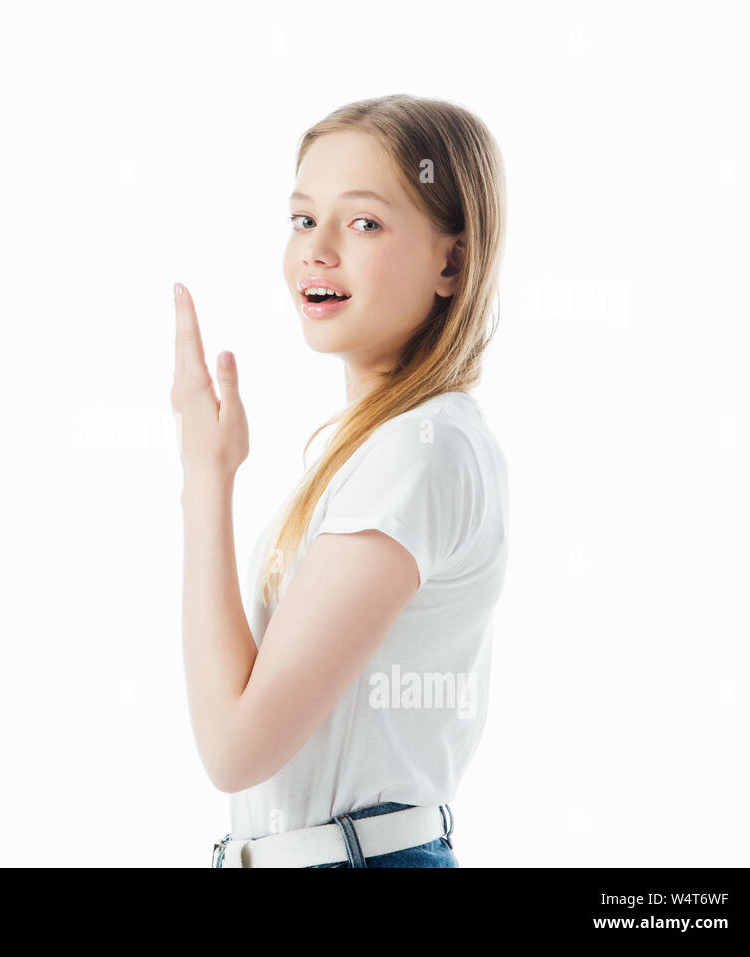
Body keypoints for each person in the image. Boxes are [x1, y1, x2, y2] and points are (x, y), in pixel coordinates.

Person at [171, 94, 509, 868]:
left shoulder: (421, 454)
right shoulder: (380, 454)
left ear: (452, 262)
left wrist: (204, 477)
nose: (316, 251)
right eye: (302, 219)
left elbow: (235, 746)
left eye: (363, 223)